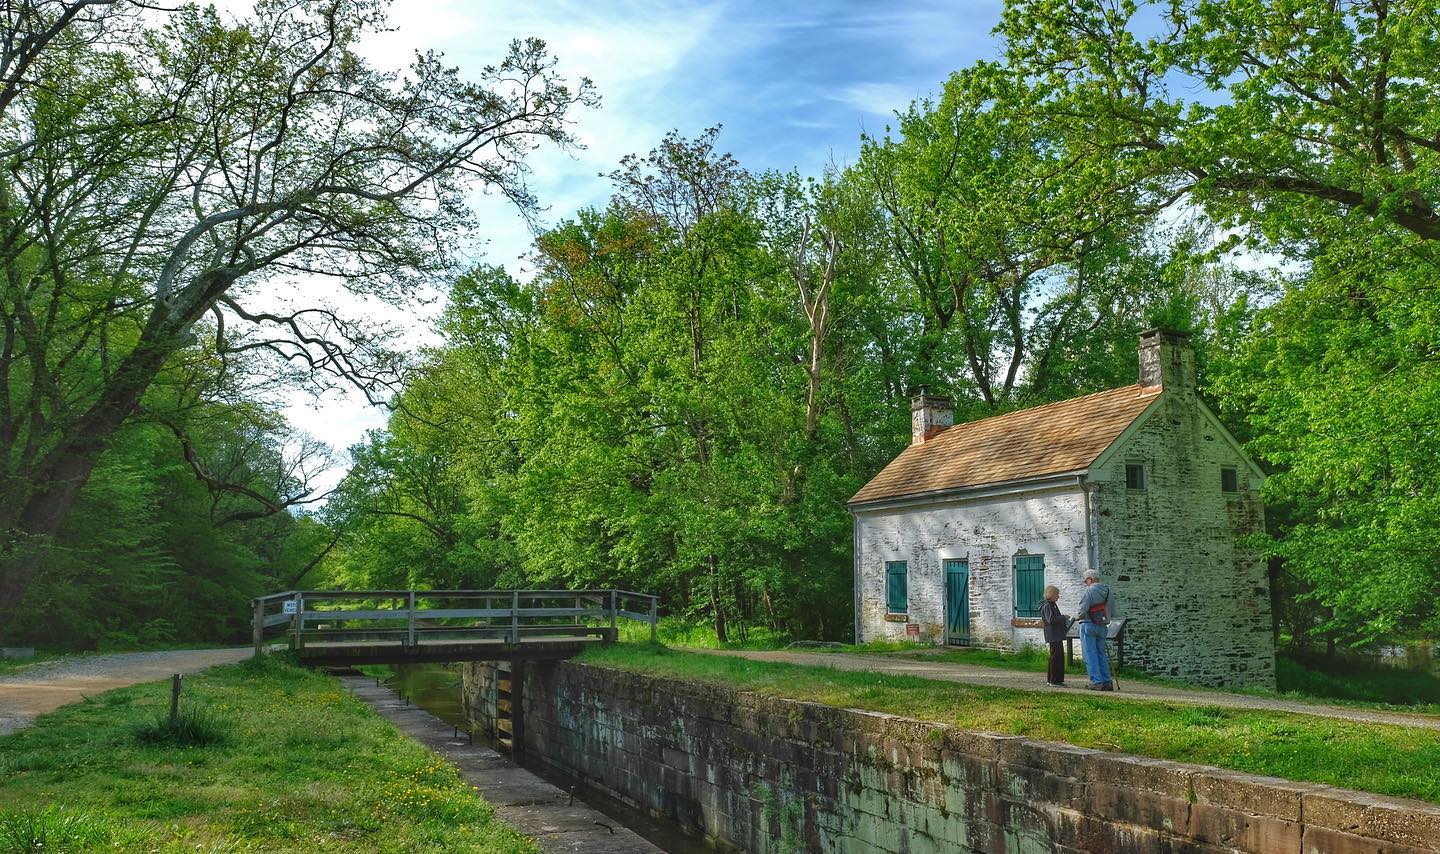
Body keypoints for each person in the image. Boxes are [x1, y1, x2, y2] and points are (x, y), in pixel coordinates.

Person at [1076, 569, 1115, 691]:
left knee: (1090, 654)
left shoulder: (1089, 591)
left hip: (1089, 624)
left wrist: (1077, 617)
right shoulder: (1108, 591)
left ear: (1090, 579)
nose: (1085, 583)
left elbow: (1082, 610)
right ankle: (1107, 681)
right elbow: (1111, 608)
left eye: (1086, 580)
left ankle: (1097, 681)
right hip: (1102, 625)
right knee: (1101, 653)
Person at [1038, 585, 1069, 687]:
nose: (1058, 596)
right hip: (1053, 634)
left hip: (1056, 634)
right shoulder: (1047, 606)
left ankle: (1056, 679)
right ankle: (1053, 680)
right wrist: (1063, 617)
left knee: (1058, 657)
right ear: (1051, 594)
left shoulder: (1052, 605)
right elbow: (1051, 620)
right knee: (1055, 657)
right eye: (1057, 594)